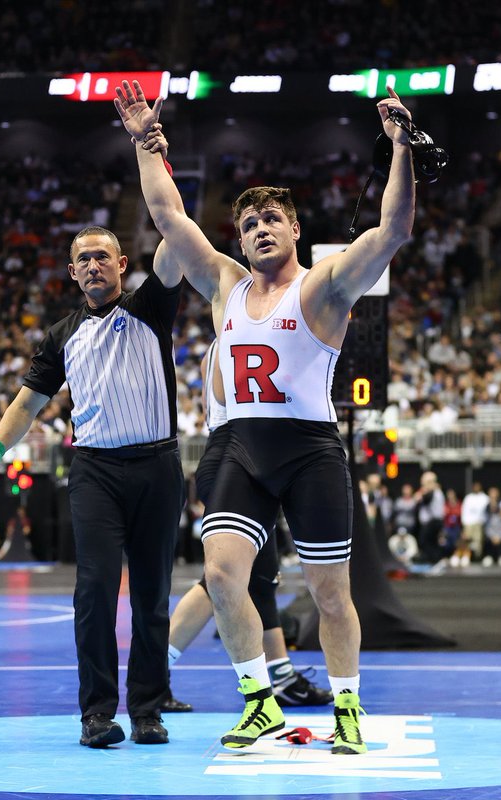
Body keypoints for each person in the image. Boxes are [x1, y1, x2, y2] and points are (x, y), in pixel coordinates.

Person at [115, 79, 416, 753]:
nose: (257, 230)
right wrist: (143, 143)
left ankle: (348, 709)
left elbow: (394, 230)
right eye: (248, 224)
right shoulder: (225, 281)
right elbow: (168, 217)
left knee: (332, 596)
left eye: (270, 220)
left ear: (295, 228)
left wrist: (400, 147)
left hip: (308, 448)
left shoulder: (325, 285)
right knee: (222, 578)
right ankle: (260, 703)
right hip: (237, 445)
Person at [0, 220, 185, 749]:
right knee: (94, 592)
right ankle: (97, 714)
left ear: (121, 266)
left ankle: (148, 710)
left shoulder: (151, 308)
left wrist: (154, 156)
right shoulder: (62, 336)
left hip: (157, 466)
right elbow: (27, 403)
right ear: (72, 271)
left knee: (153, 596)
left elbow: (176, 239)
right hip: (94, 472)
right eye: (84, 258)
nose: (93, 265)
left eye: (103, 257)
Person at [163, 341, 331, 714]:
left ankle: (281, 675)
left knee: (261, 579)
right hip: (238, 459)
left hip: (235, 457)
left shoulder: (222, 344)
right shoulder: (236, 341)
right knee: (222, 579)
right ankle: (154, 671)